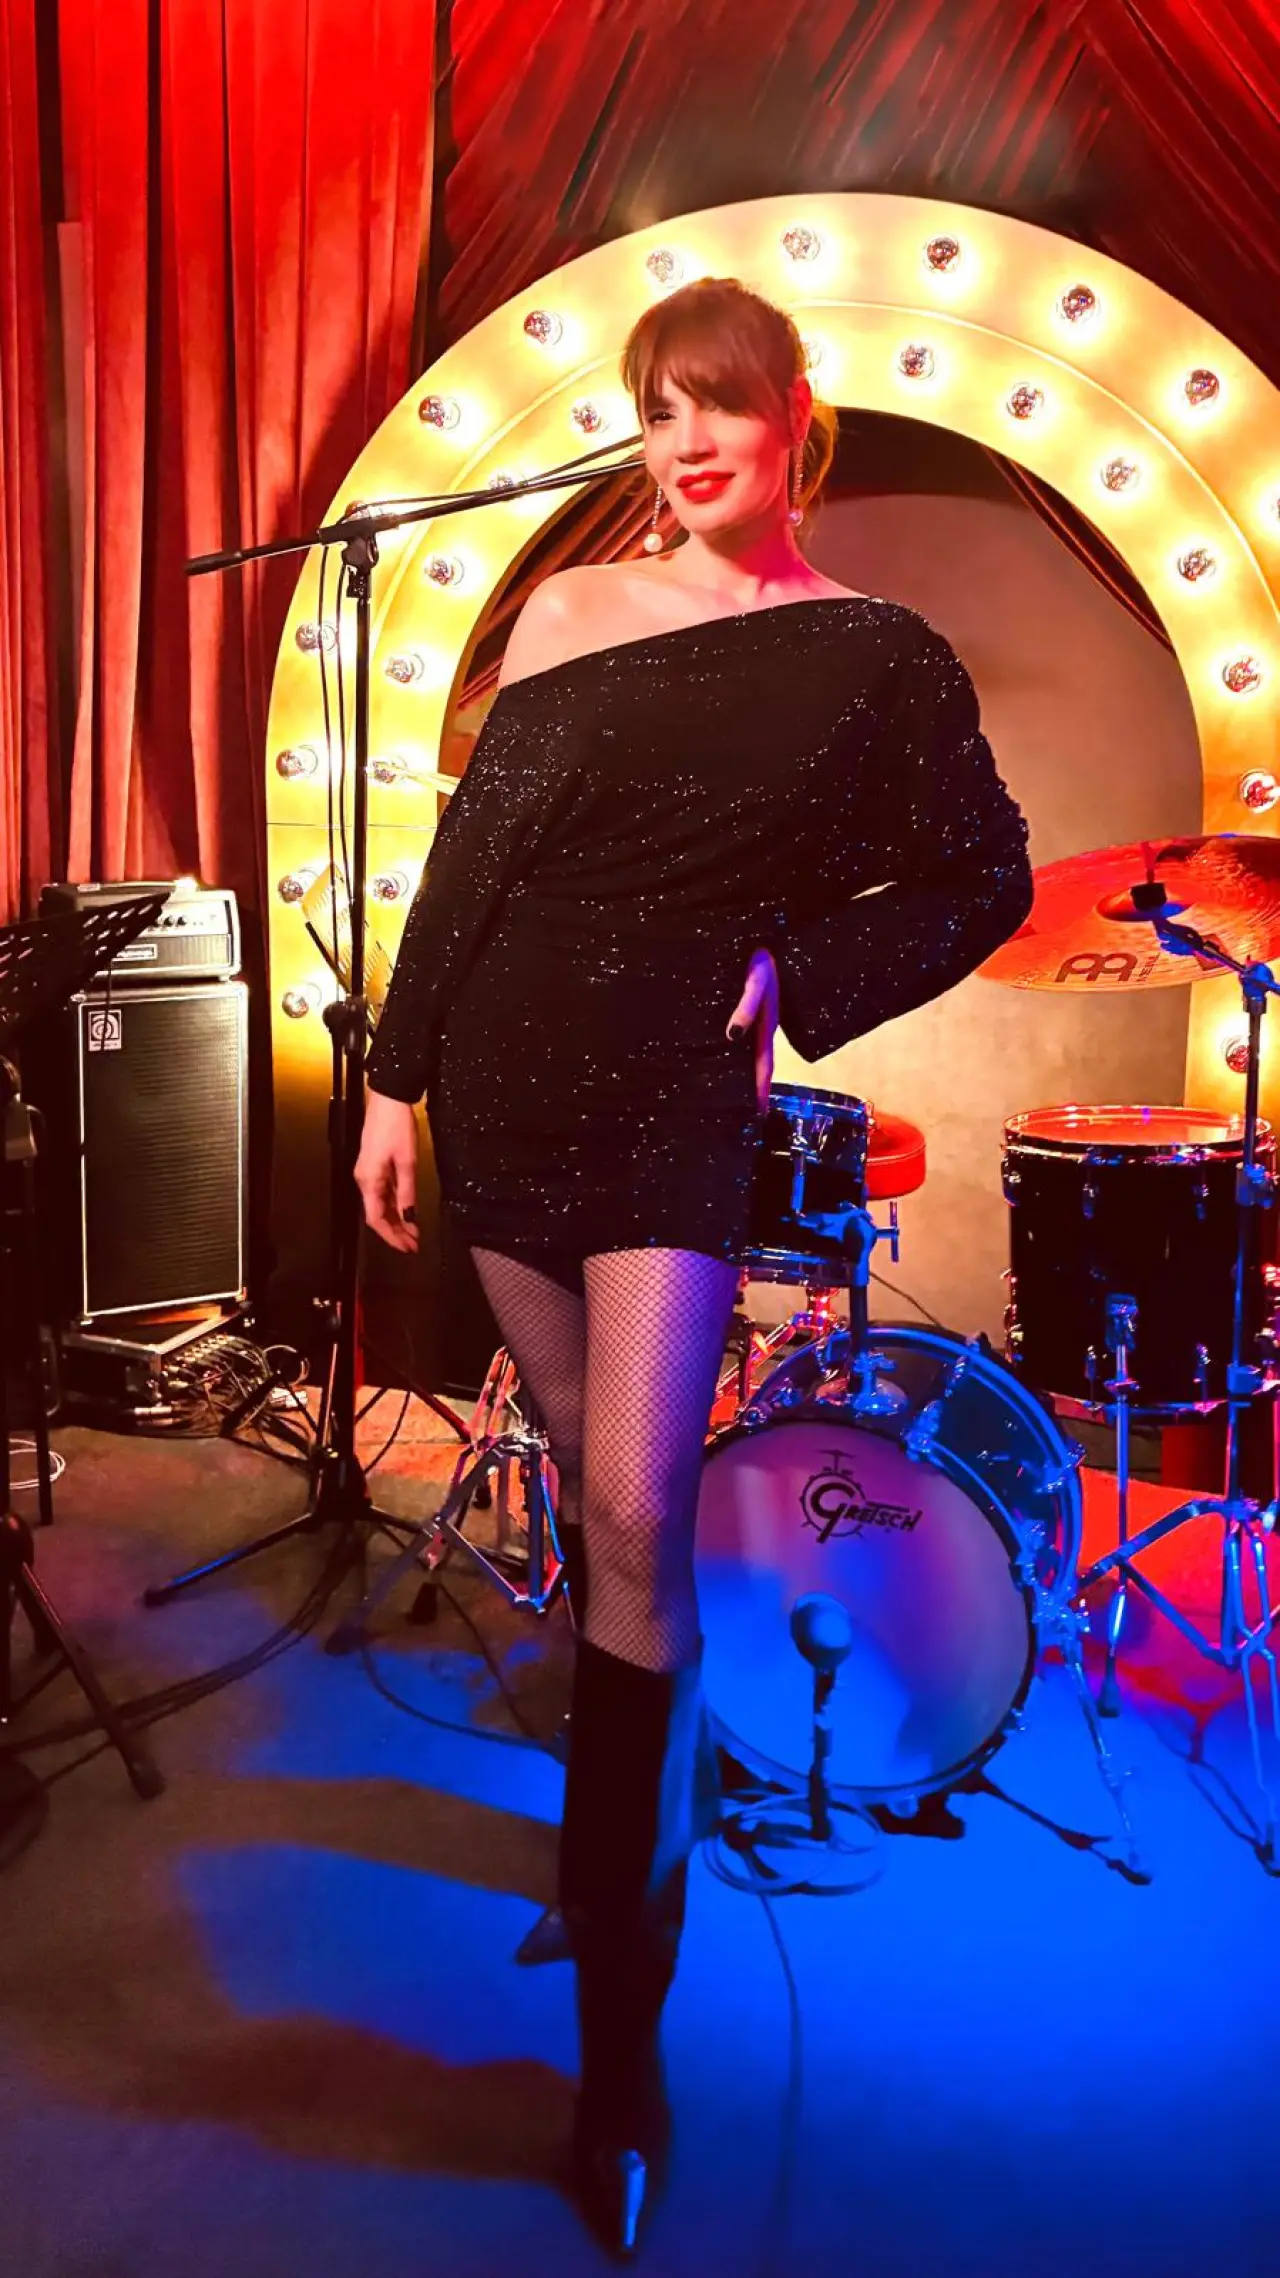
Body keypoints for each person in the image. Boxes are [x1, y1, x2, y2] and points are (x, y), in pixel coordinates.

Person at [356, 274, 1034, 2256]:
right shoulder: (569, 611)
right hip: (506, 1084)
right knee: (595, 1508)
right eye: (658, 407)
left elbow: (986, 870)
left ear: (792, 415)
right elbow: (468, 868)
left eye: (719, 400)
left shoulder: (874, 655)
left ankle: (619, 2068)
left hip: (670, 1100)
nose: (686, 438)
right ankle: (605, 1859)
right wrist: (395, 1079)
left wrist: (795, 969)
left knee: (645, 1512)